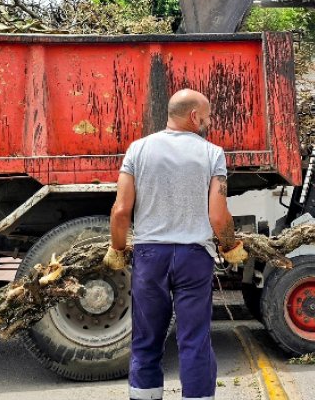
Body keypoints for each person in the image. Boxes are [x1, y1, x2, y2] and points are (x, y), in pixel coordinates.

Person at [103, 89, 248, 400]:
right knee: (194, 339)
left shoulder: (137, 150)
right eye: (207, 116)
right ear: (194, 116)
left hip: (149, 255)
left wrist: (117, 250)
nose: (209, 122)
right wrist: (229, 246)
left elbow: (120, 211)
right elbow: (218, 216)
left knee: (146, 339)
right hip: (193, 258)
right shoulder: (212, 153)